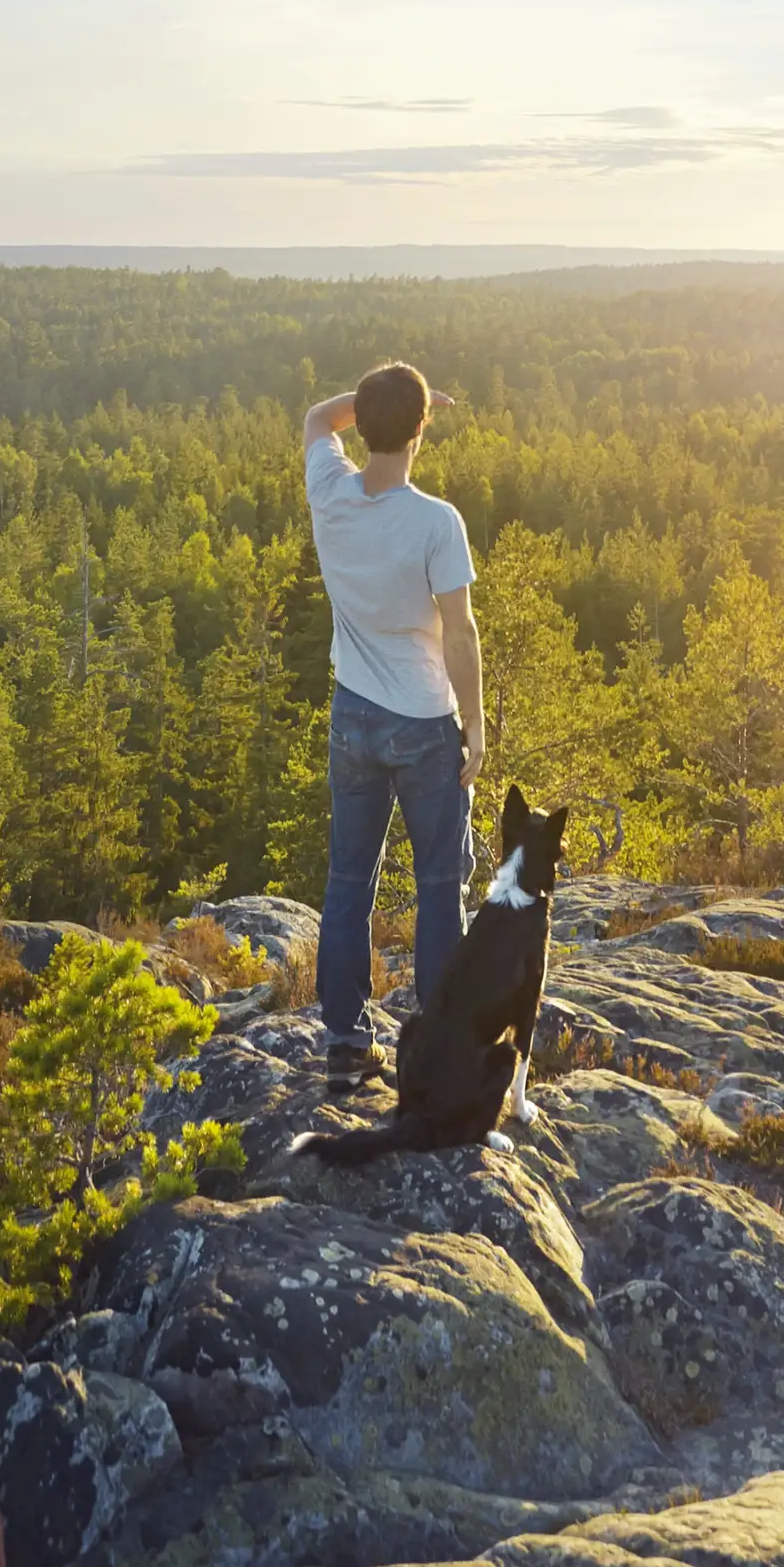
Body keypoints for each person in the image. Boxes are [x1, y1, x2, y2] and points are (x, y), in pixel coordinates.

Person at [299, 360, 481, 1080]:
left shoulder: (331, 495)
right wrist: (478, 725)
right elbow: (460, 633)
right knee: (440, 885)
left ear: (365, 426)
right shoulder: (437, 522)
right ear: (420, 431)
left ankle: (345, 1044)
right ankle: (436, 1047)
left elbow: (318, 417)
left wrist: (384, 401)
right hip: (425, 724)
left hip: (353, 718)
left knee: (349, 882)